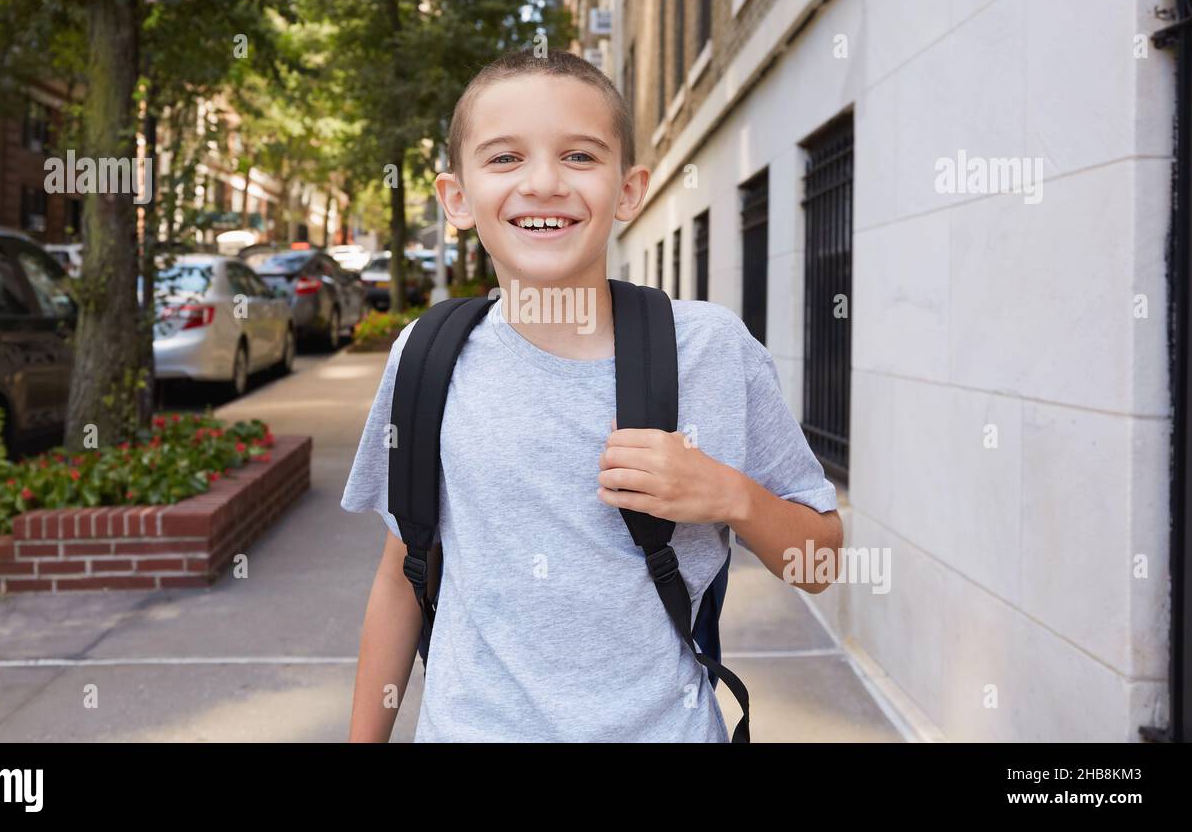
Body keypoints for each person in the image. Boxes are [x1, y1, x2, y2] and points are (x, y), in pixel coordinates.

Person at [342, 49, 843, 742]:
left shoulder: (710, 350)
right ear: (456, 198)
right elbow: (404, 572)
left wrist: (732, 495)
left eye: (580, 156)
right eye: (504, 159)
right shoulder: (427, 357)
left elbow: (821, 561)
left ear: (628, 190)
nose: (543, 182)